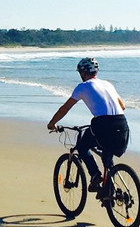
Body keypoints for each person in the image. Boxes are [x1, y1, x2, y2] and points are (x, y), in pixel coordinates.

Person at [46, 57, 129, 193]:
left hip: (104, 125)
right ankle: (110, 191)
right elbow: (122, 106)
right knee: (107, 155)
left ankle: (95, 175)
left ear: (83, 73)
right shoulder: (108, 84)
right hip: (122, 124)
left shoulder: (83, 87)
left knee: (82, 146)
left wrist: (52, 123)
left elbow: (65, 108)